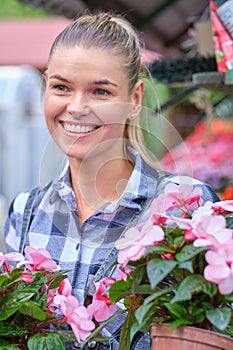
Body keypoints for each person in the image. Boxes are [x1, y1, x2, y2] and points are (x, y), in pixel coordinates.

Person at [4, 11, 219, 350]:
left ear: (134, 100)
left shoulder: (185, 206)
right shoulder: (25, 212)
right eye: (61, 87)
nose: (76, 107)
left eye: (100, 92)